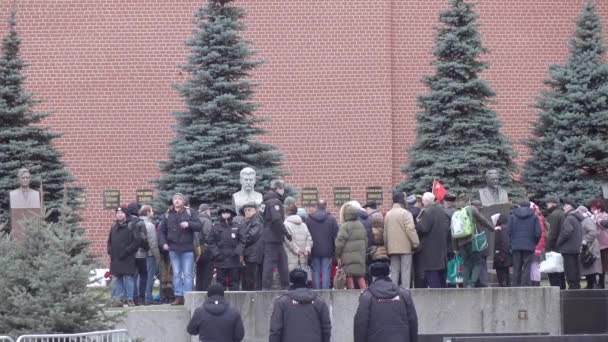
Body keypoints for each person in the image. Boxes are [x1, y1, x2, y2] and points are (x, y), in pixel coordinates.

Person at [353, 261, 418, 342]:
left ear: (373, 276)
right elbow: (413, 322)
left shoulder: (367, 297)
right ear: (388, 274)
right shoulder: (404, 294)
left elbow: (360, 324)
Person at [158, 193, 202, 305]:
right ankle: (178, 296)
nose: (177, 201)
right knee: (176, 274)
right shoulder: (167, 214)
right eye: (175, 199)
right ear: (173, 202)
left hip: (187, 248)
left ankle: (188, 296)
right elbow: (161, 231)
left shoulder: (190, 212)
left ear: (183, 201)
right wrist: (163, 243)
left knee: (187, 274)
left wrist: (189, 224)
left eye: (179, 199)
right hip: (173, 249)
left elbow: (199, 226)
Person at [269, 269, 331, 342]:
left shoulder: (281, 302)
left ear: (291, 281)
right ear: (306, 281)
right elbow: (326, 329)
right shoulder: (320, 302)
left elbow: (275, 331)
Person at [451, 194, 494, 288]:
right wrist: (492, 228)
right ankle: (472, 283)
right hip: (473, 241)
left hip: (461, 243)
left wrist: (455, 248)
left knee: (466, 264)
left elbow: (453, 231)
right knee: (478, 263)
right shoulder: (471, 209)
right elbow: (483, 221)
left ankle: (466, 284)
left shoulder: (455, 213)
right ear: (468, 201)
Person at [261, 180, 293, 290]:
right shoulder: (274, 202)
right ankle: (267, 288)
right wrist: (286, 233)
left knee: (282, 261)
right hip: (274, 237)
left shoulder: (265, 201)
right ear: (278, 188)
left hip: (270, 236)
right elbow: (276, 219)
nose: (283, 191)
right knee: (271, 263)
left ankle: (285, 285)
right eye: (282, 188)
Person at [107, 206, 141, 307]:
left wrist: (127, 251)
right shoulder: (113, 227)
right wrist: (110, 251)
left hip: (127, 257)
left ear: (125, 215)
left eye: (121, 213)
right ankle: (118, 300)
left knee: (128, 278)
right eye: (118, 213)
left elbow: (137, 241)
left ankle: (130, 299)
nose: (119, 215)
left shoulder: (131, 226)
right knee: (117, 278)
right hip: (115, 258)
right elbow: (109, 241)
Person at [384, 191, 419, 288]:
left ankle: (393, 292)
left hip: (392, 247)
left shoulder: (388, 214)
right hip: (405, 247)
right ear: (402, 200)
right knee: (406, 271)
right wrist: (416, 243)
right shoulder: (406, 213)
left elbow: (385, 233)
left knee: (394, 271)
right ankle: (405, 292)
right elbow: (410, 229)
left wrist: (387, 247)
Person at [415, 192, 450, 288]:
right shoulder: (442, 210)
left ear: (426, 201)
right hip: (441, 247)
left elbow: (424, 228)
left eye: (422, 201)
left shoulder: (427, 212)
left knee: (432, 275)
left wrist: (417, 223)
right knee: (441, 275)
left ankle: (436, 298)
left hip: (430, 249)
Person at [306, 200, 339, 289]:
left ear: (317, 206)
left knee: (315, 271)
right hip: (327, 250)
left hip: (314, 249)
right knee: (326, 271)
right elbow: (336, 235)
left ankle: (316, 292)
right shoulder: (331, 219)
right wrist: (335, 251)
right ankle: (325, 293)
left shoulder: (309, 219)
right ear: (325, 206)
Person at [508, 200, 541, 286]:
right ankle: (526, 284)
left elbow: (508, 231)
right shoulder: (534, 217)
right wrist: (534, 242)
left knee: (516, 266)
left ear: (519, 206)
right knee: (527, 266)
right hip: (529, 245)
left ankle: (515, 284)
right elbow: (538, 233)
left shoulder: (512, 216)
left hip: (516, 245)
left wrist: (512, 242)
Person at [335, 203, 368, 289]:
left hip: (347, 257)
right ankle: (365, 293)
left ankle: (351, 296)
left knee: (349, 276)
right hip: (360, 256)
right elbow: (365, 240)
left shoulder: (344, 226)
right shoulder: (361, 225)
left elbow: (340, 242)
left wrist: (337, 255)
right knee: (360, 276)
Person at [209, 206, 242, 291]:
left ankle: (235, 302)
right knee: (220, 283)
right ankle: (221, 302)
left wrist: (237, 252)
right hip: (220, 260)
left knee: (234, 283)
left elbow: (242, 241)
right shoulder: (215, 227)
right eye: (223, 213)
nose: (225, 215)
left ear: (231, 214)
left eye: (227, 213)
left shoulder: (237, 227)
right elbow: (211, 242)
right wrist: (217, 254)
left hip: (234, 260)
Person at [556, 199, 583, 290]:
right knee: (575, 268)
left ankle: (572, 286)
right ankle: (576, 285)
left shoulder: (569, 218)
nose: (563, 207)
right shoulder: (576, 218)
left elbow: (567, 231)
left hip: (568, 248)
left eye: (565, 205)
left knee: (569, 268)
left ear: (570, 207)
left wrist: (559, 241)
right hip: (575, 247)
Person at [236, 202, 264, 291]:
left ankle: (252, 300)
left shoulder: (257, 222)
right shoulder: (245, 221)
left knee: (252, 280)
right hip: (246, 253)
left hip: (253, 255)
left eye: (249, 210)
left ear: (255, 211)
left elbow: (250, 237)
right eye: (245, 210)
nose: (247, 212)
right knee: (245, 280)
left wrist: (239, 240)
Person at [139, 205, 161, 304]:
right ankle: (148, 298)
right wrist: (157, 257)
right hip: (149, 254)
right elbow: (153, 243)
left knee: (140, 277)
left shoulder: (137, 223)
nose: (153, 213)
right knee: (149, 277)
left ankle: (140, 297)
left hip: (138, 255)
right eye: (152, 211)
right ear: (147, 212)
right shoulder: (150, 225)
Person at [127, 201, 148, 305]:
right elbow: (144, 238)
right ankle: (141, 297)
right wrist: (147, 247)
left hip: (130, 253)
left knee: (132, 275)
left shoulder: (126, 222)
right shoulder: (140, 222)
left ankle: (133, 297)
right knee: (143, 274)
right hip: (141, 252)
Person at [577, 206, 602, 289]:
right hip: (588, 246)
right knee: (588, 265)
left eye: (578, 212)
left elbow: (592, 232)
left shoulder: (587, 220)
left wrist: (585, 240)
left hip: (591, 247)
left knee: (591, 265)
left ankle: (593, 284)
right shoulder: (584, 220)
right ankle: (590, 284)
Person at [283, 205, 313, 273]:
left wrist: (297, 250)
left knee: (291, 279)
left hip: (290, 258)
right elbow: (309, 239)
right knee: (302, 279)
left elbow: (288, 240)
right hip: (303, 258)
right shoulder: (303, 225)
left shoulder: (285, 224)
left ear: (287, 212)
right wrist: (307, 249)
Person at [544, 196, 566, 289]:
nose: (547, 206)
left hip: (554, 247)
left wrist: (548, 247)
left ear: (553, 204)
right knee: (560, 270)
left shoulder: (554, 215)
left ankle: (556, 290)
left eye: (548, 203)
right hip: (562, 246)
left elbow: (551, 233)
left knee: (553, 271)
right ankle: (562, 289)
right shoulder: (562, 213)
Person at [195, 203, 214, 291]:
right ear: (206, 211)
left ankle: (198, 291)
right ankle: (205, 291)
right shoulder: (207, 221)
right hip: (205, 249)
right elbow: (208, 235)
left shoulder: (196, 219)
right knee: (207, 272)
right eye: (209, 210)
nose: (210, 212)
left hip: (197, 249)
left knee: (199, 272)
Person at [591, 199, 608, 288]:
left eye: (594, 208)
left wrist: (597, 217)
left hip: (604, 244)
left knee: (603, 264)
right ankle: (596, 282)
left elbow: (604, 224)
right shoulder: (592, 216)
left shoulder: (605, 216)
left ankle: (601, 282)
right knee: (596, 264)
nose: (592, 210)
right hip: (595, 244)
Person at [493, 213, 512, 287]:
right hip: (504, 255)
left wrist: (502, 256)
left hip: (500, 255)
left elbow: (504, 243)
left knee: (502, 275)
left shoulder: (500, 229)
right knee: (506, 273)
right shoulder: (506, 228)